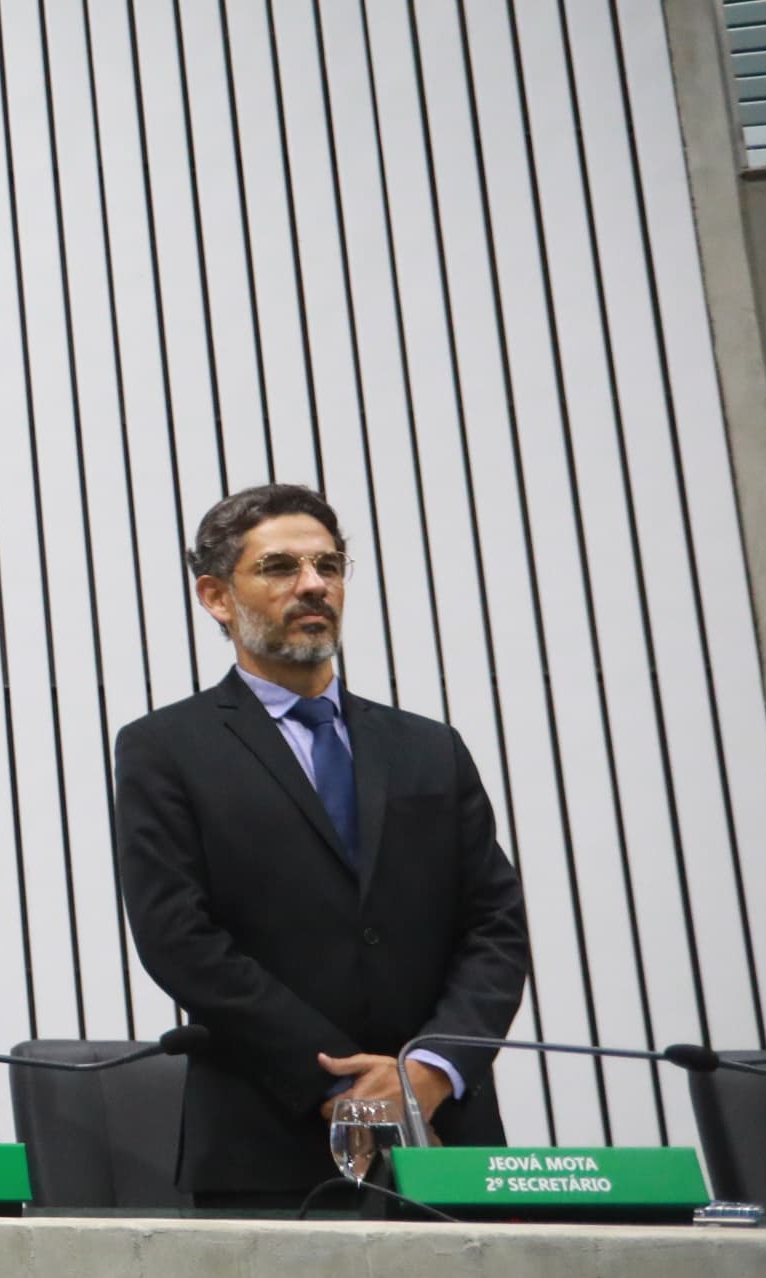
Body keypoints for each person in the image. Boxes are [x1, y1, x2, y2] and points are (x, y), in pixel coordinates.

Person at [114, 483, 533, 1200]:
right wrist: (339, 1074)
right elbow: (179, 938)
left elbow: (496, 926)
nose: (314, 585)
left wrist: (430, 1069)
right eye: (280, 568)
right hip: (268, 1129)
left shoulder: (429, 748)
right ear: (216, 597)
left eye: (329, 566)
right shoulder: (166, 749)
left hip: (444, 1126)